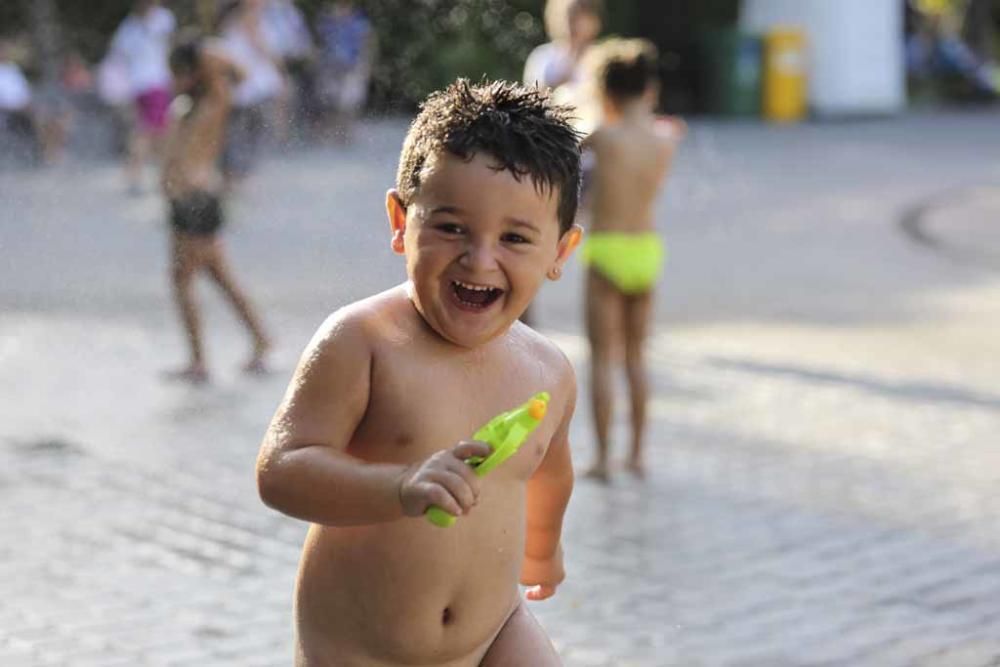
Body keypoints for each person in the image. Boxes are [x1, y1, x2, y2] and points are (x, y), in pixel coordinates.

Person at [256, 79, 583, 665]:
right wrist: (397, 487)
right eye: (451, 227)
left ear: (560, 251)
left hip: (493, 634)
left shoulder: (548, 371)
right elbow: (281, 469)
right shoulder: (365, 342)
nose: (479, 258)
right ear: (401, 220)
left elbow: (549, 474)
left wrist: (543, 550)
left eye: (514, 238)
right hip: (360, 648)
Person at [579, 39, 685, 482]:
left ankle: (603, 459)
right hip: (646, 251)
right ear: (650, 88)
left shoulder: (604, 138)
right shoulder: (665, 141)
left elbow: (572, 165)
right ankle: (638, 454)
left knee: (603, 357)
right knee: (637, 358)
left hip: (607, 247)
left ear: (607, 92)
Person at [161, 32, 271, 383]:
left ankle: (199, 361)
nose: (173, 80)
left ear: (195, 73)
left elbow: (241, 70)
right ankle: (260, 340)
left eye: (179, 73)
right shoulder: (186, 108)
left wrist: (200, 52)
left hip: (198, 200)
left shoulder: (213, 103)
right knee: (218, 277)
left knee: (183, 280)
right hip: (185, 202)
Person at [107, 0, 176, 192]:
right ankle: (144, 175)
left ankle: (144, 174)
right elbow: (170, 48)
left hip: (138, 85)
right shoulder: (162, 18)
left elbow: (120, 56)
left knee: (149, 130)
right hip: (155, 83)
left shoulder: (127, 27)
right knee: (151, 131)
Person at [217, 0, 286, 185]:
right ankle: (234, 176)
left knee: (250, 135)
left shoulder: (261, 20)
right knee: (240, 135)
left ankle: (238, 175)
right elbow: (256, 49)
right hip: (245, 91)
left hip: (256, 89)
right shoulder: (239, 21)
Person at [314, 0, 374, 143]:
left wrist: (366, 65)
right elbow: (320, 43)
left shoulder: (359, 21)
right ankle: (334, 133)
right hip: (330, 67)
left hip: (352, 66)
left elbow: (368, 43)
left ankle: (346, 134)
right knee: (331, 102)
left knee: (349, 102)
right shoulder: (326, 20)